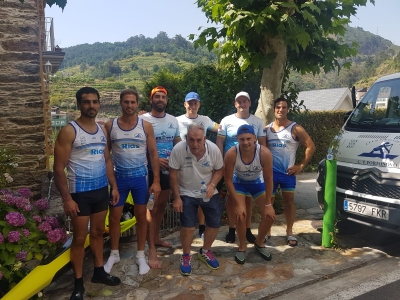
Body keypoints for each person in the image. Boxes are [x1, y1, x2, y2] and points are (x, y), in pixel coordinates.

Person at [53, 87, 121, 300]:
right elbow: (58, 168)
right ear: (79, 104)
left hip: (101, 190)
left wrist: (114, 187)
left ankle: (99, 271)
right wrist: (67, 199)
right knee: (80, 238)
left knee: (99, 232)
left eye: (94, 102)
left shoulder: (102, 130)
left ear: (99, 104)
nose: (91, 106)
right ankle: (78, 283)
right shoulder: (69, 131)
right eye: (86, 102)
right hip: (80, 193)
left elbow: (107, 160)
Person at [104, 89, 161, 275]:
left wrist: (156, 181)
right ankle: (114, 253)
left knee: (141, 216)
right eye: (126, 102)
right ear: (121, 103)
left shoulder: (145, 126)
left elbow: (153, 154)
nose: (129, 105)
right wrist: (112, 183)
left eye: (133, 102)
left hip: (140, 178)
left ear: (137, 104)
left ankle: (140, 255)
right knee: (114, 217)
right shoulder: (110, 126)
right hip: (119, 177)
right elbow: (107, 157)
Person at [169, 124, 224, 275]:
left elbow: (220, 169)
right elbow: (173, 174)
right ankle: (186, 255)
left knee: (214, 223)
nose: (195, 144)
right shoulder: (178, 149)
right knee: (188, 227)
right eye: (191, 140)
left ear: (204, 138)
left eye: (199, 140)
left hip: (208, 191)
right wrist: (177, 198)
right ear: (186, 138)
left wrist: (212, 184)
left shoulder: (213, 150)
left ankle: (205, 251)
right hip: (186, 192)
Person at [216, 91, 266, 244]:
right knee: (232, 199)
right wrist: (220, 162)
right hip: (231, 165)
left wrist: (261, 163)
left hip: (251, 166)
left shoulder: (257, 122)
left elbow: (263, 144)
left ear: (250, 103)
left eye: (245, 101)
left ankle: (247, 229)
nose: (242, 104)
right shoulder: (226, 120)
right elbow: (219, 142)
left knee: (248, 200)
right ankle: (232, 229)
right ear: (235, 104)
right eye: (239, 101)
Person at [266, 97, 315, 246]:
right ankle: (267, 232)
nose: (281, 110)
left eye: (284, 107)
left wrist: (300, 166)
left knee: (289, 203)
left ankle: (289, 232)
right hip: (271, 174)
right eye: (278, 107)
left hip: (288, 173)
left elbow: (311, 146)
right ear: (274, 109)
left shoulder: (295, 128)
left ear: (288, 109)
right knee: (269, 203)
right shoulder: (266, 129)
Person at [224, 124, 275, 264]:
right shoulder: (231, 153)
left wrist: (268, 203)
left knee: (270, 216)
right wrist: (236, 203)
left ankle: (259, 243)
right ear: (237, 139)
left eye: (248, 139)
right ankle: (241, 246)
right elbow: (227, 180)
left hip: (256, 183)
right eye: (242, 139)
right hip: (238, 183)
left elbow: (269, 179)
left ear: (254, 138)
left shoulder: (264, 153)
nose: (245, 143)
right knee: (241, 215)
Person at [139, 86, 181, 248]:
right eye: (157, 97)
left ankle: (155, 238)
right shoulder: (143, 120)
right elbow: (139, 146)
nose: (160, 100)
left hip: (168, 170)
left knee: (162, 205)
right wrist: (154, 159)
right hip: (149, 170)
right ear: (151, 100)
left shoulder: (173, 120)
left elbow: (177, 142)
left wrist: (179, 161)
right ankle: (148, 242)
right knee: (151, 207)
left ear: (167, 101)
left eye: (163, 97)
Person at [176, 91, 219, 238]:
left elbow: (220, 128)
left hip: (201, 160)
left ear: (199, 104)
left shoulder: (205, 119)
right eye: (190, 103)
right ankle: (190, 229)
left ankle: (201, 228)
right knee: (189, 197)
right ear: (185, 104)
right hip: (184, 161)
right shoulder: (176, 120)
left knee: (202, 194)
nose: (193, 106)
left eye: (195, 103)